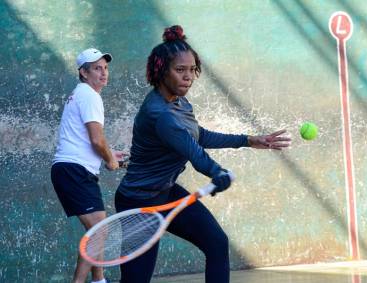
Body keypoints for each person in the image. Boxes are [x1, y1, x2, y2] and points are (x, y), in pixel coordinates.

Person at [115, 25, 292, 283]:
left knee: (216, 243)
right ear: (161, 71)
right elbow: (194, 152)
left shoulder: (179, 102)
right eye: (180, 70)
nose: (188, 77)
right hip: (139, 204)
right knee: (136, 280)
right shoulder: (160, 115)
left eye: (192, 70)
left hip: (166, 193)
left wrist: (247, 140)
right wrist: (216, 172)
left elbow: (200, 135)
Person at [51, 48, 125, 283]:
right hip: (74, 170)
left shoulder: (81, 94)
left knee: (98, 231)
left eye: (105, 68)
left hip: (73, 169)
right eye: (96, 68)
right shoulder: (90, 96)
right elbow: (96, 139)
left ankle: (99, 280)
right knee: (98, 232)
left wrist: (110, 153)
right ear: (83, 73)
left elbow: (85, 139)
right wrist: (111, 160)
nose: (103, 73)